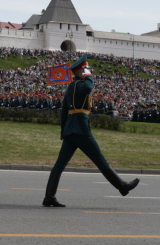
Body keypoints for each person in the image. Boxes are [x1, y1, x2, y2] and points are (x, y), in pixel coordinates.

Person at [42, 55, 139, 207]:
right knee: (100, 161)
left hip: (70, 130)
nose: (87, 71)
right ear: (81, 71)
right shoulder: (81, 84)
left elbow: (64, 111)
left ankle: (49, 196)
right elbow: (88, 88)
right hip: (81, 130)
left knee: (59, 165)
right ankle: (122, 186)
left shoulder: (70, 87)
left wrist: (63, 130)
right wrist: (90, 76)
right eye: (85, 69)